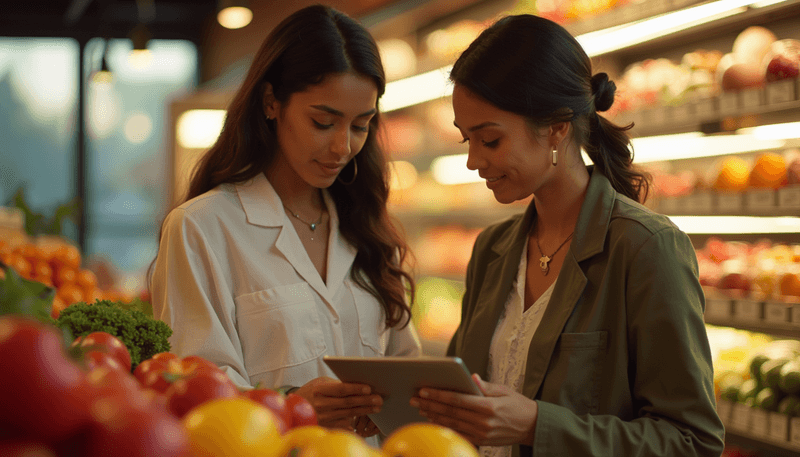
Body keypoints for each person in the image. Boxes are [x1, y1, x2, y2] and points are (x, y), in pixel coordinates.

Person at [409, 14, 725, 457]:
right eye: (467, 141)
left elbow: (692, 441)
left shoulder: (645, 248)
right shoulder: (492, 249)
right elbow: (462, 403)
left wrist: (537, 425)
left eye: (490, 140)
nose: (473, 161)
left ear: (557, 127)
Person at [150, 4, 421, 438]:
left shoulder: (368, 230)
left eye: (360, 126)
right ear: (271, 102)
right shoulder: (202, 227)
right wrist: (290, 405)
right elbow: (196, 392)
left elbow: (407, 370)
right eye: (323, 122)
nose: (342, 147)